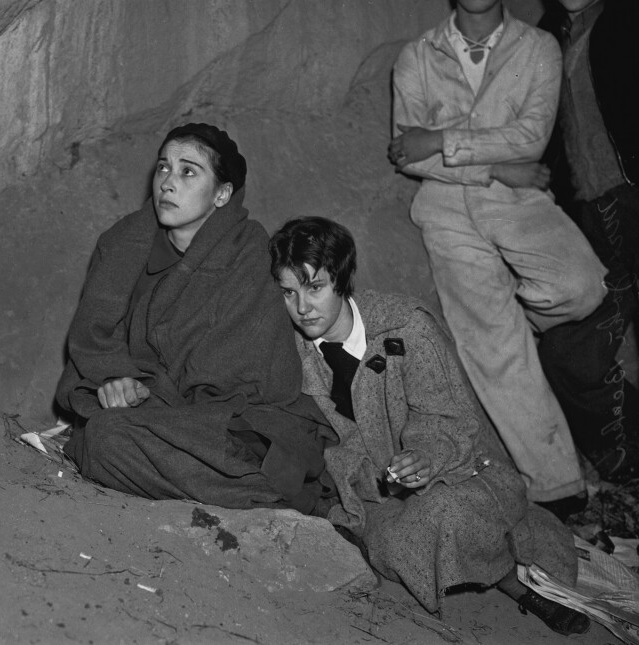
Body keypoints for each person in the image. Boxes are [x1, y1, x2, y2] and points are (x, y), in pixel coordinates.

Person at [268, 216, 590, 635]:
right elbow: (327, 442)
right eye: (289, 293)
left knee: (449, 513)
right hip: (374, 493)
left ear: (343, 280)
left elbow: (448, 415)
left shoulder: (406, 327)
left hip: (456, 471)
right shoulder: (295, 354)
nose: (303, 308)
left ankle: (517, 585)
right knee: (388, 542)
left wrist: (423, 456)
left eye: (315, 288)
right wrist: (371, 480)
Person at [387, 0, 608, 516]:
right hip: (444, 208)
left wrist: (442, 140)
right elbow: (406, 156)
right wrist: (493, 169)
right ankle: (556, 486)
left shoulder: (538, 48)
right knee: (491, 339)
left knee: (582, 286)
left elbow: (531, 140)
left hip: (521, 200)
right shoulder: (415, 55)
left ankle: (510, 322)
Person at [54, 123, 326, 512]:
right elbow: (93, 342)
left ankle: (264, 492)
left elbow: (258, 383)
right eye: (163, 167)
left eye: (188, 171)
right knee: (102, 438)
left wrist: (152, 395)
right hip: (148, 421)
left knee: (108, 441)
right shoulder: (122, 246)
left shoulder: (249, 258)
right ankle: (255, 495)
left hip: (227, 423)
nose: (167, 182)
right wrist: (117, 379)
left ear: (222, 194)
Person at [536, 0, 639, 484]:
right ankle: (624, 456)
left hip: (632, 193)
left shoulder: (626, 16)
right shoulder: (547, 35)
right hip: (588, 213)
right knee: (570, 347)